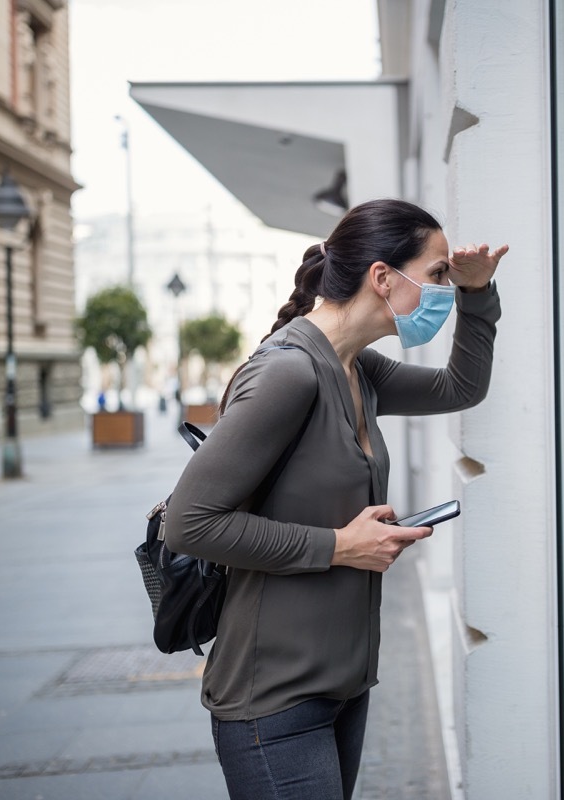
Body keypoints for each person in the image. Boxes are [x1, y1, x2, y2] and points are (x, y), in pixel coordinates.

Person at [164, 198, 507, 800]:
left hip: (342, 685)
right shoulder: (289, 374)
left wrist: (479, 294)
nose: (441, 294)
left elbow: (461, 387)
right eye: (437, 277)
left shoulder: (357, 368)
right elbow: (189, 524)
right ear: (382, 277)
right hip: (274, 698)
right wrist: (341, 545)